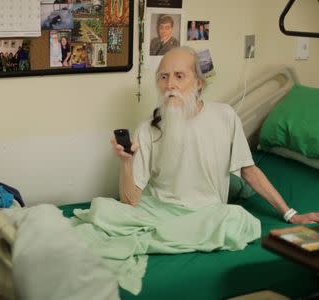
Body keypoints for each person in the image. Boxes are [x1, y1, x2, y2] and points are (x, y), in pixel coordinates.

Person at [111, 46, 319, 225]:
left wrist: (290, 214)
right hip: (160, 213)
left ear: (199, 83)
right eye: (164, 77)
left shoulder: (225, 116)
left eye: (179, 76)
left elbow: (249, 172)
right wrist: (125, 163)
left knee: (240, 222)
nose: (170, 85)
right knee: (103, 213)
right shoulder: (147, 130)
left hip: (208, 217)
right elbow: (130, 202)